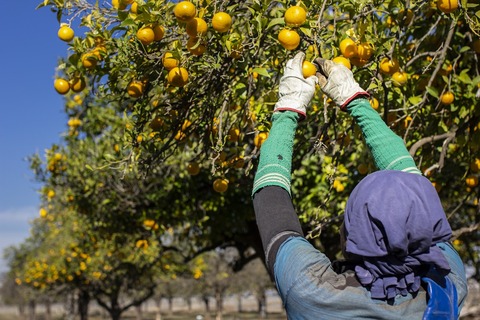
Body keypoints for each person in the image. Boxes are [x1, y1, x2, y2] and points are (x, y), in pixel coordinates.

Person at [251, 52, 468, 319]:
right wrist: (355, 99)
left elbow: (271, 203)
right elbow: (415, 192)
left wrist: (288, 107)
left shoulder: (312, 291)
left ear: (348, 234)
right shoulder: (448, 285)